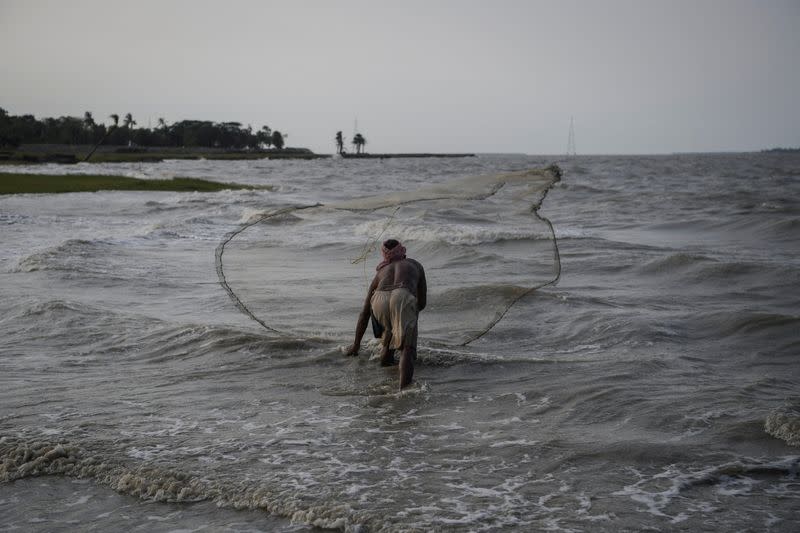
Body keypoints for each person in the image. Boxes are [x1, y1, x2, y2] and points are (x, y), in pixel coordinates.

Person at [345, 239, 426, 389]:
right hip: (402, 295)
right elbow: (421, 303)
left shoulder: (381, 272)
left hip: (379, 299)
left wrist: (356, 345)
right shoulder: (415, 264)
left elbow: (365, 312)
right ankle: (404, 392)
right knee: (407, 348)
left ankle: (386, 362)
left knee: (389, 331)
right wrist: (408, 325)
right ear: (402, 251)